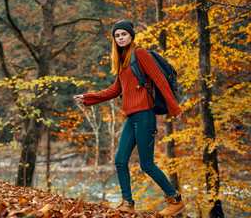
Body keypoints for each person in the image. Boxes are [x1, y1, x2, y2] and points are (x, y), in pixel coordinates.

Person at [73, 20, 186, 217]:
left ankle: (175, 200)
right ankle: (127, 203)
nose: (120, 38)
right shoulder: (124, 60)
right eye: (117, 36)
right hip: (131, 117)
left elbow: (159, 80)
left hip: (145, 115)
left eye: (124, 34)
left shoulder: (139, 53)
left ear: (131, 36)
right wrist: (88, 98)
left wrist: (174, 109)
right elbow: (114, 90)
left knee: (146, 164)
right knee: (120, 160)